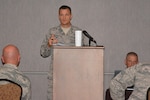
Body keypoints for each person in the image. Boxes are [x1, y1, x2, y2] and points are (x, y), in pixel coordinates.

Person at [40, 5, 89, 100]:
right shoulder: (52, 32)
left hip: (74, 76)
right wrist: (49, 45)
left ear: (71, 16)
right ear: (58, 16)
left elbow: (85, 54)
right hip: (56, 76)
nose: (64, 17)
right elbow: (43, 53)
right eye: (61, 15)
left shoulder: (78, 32)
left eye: (66, 15)